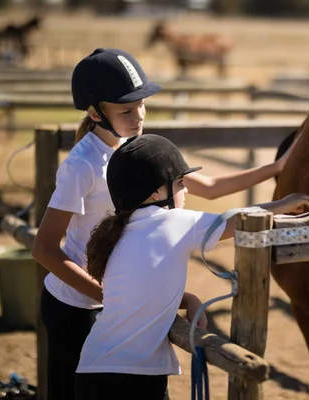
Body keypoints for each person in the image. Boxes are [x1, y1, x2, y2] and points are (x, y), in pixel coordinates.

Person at [31, 48, 294, 400]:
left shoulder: (135, 149)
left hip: (117, 301)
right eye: (126, 109)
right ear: (95, 113)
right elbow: (44, 249)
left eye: (142, 104)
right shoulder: (83, 166)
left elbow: (211, 189)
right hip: (76, 307)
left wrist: (276, 170)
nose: (139, 115)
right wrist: (113, 298)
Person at [73, 134, 309, 400]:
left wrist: (187, 298)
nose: (186, 191)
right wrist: (283, 204)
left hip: (92, 367)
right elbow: (239, 220)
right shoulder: (174, 221)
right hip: (136, 376)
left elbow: (139, 293)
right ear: (155, 193)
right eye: (179, 184)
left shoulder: (121, 231)